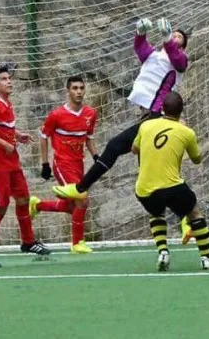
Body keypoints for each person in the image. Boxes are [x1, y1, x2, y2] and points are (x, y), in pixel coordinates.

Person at [52, 17, 194, 244]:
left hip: (158, 119)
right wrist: (140, 33)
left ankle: (81, 187)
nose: (174, 37)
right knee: (154, 177)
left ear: (183, 46)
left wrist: (168, 38)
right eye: (172, 34)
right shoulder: (154, 57)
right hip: (150, 118)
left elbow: (177, 58)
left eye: (179, 37)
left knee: (115, 147)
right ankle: (187, 220)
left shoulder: (180, 60)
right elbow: (140, 47)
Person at [131, 91, 209, 271]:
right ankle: (206, 258)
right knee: (195, 214)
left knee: (156, 214)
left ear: (162, 109)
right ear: (182, 111)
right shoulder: (186, 132)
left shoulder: (146, 126)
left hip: (143, 188)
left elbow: (134, 149)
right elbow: (197, 159)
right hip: (171, 186)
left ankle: (163, 251)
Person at [0, 66, 51, 268]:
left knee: (24, 199)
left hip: (11, 162)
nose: (9, 81)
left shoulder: (6, 103)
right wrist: (5, 144)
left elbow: (2, 127)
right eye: (4, 79)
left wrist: (18, 135)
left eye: (10, 78)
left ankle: (28, 242)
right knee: (0, 206)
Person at [29, 75, 99, 254]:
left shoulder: (90, 114)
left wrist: (97, 157)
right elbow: (43, 137)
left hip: (79, 165)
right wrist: (45, 164)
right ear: (68, 91)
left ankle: (37, 205)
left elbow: (89, 138)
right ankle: (77, 243)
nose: (79, 92)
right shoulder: (56, 115)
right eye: (75, 88)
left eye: (81, 88)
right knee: (82, 200)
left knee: (72, 206)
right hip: (62, 164)